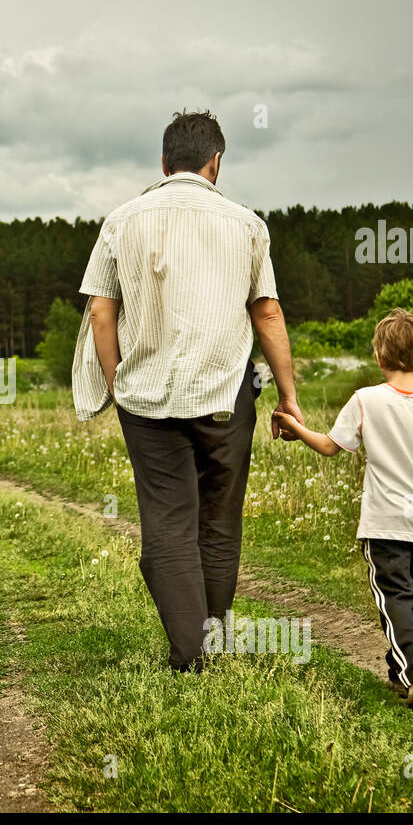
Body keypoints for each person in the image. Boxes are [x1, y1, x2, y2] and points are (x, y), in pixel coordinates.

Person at [72, 108, 302, 673]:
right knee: (219, 521)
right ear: (215, 162)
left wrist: (115, 379)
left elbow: (102, 311)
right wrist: (287, 396)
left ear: (163, 161)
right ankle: (207, 644)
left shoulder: (121, 221)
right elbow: (267, 313)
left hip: (146, 400)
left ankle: (191, 657)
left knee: (167, 521)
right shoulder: (247, 224)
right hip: (226, 395)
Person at [273, 308, 413, 711]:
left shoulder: (366, 400)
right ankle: (401, 669)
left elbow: (331, 445)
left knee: (395, 597)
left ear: (380, 357)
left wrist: (296, 428)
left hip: (385, 522)